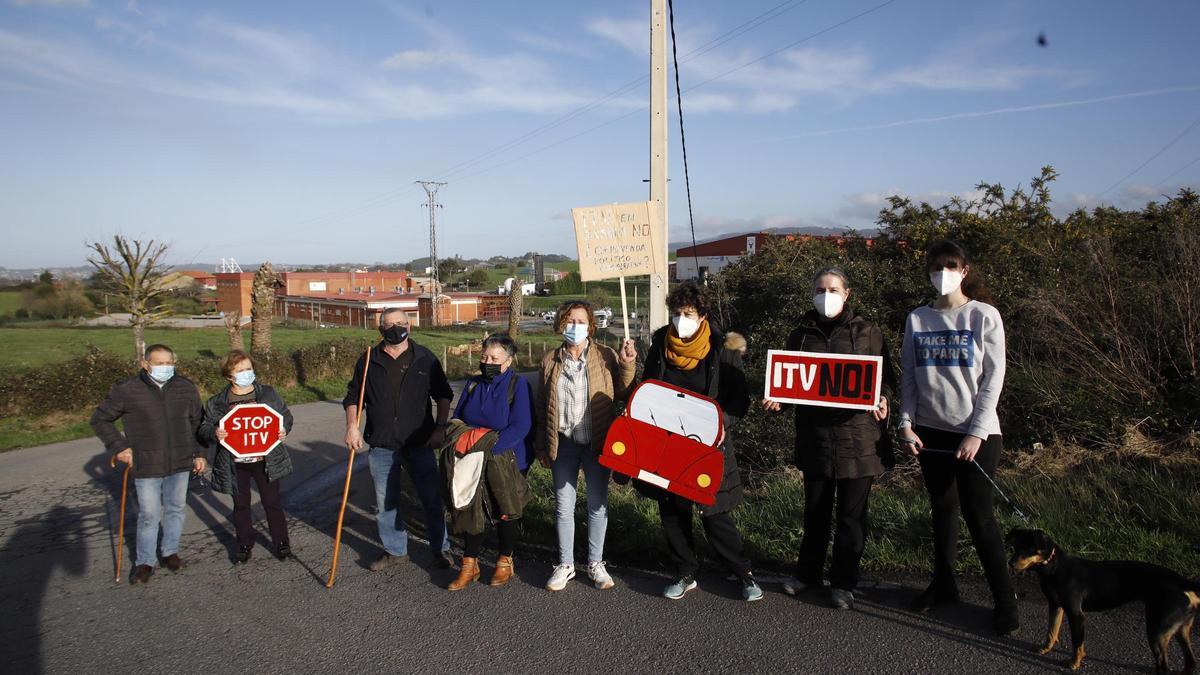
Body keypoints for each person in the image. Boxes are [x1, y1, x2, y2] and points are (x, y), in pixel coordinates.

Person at [899, 239, 1019, 635]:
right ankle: (944, 584)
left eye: (950, 266)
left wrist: (977, 432)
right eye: (936, 267)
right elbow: (911, 376)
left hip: (976, 435)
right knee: (942, 511)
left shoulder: (984, 316)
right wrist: (905, 423)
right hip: (931, 432)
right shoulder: (917, 318)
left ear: (965, 270)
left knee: (979, 517)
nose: (942, 274)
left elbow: (993, 378)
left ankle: (1005, 601)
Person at [763, 268, 895, 610]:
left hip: (859, 442)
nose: (826, 294)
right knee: (815, 513)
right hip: (816, 440)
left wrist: (885, 400)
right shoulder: (800, 335)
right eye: (820, 288)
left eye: (833, 289)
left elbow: (888, 379)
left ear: (847, 293)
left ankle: (844, 583)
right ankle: (807, 575)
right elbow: (793, 384)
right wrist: (779, 401)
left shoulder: (869, 332)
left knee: (852, 518)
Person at [637, 282, 762, 602]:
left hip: (710, 445)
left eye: (688, 313)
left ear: (703, 315)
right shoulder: (660, 344)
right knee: (672, 511)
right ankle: (684, 570)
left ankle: (742, 572)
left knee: (715, 511)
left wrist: (718, 425)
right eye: (676, 313)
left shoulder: (723, 348)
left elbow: (739, 401)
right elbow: (648, 386)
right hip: (668, 444)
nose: (681, 320)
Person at [537, 300, 637, 592]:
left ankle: (596, 563)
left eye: (580, 321)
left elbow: (624, 391)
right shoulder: (549, 361)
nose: (575, 327)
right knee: (563, 506)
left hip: (597, 442)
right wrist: (542, 445)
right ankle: (565, 564)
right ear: (560, 325)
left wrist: (628, 363)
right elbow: (543, 406)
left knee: (597, 504)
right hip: (564, 443)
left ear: (591, 326)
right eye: (569, 321)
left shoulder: (605, 355)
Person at [344, 308, 454, 571]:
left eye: (400, 323)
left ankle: (441, 549)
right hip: (381, 446)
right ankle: (395, 550)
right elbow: (353, 398)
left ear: (409, 326)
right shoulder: (369, 359)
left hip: (420, 444)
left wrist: (440, 428)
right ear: (380, 329)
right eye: (389, 324)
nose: (395, 328)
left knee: (431, 499)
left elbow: (443, 395)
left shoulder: (425, 358)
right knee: (385, 502)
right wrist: (352, 427)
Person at [90, 344, 205, 584]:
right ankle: (144, 562)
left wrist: (200, 453)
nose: (165, 368)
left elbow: (197, 424)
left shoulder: (185, 388)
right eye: (159, 363)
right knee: (149, 515)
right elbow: (100, 419)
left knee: (175, 510)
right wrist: (120, 447)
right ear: (145, 364)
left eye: (169, 363)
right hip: (146, 464)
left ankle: (170, 552)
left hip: (181, 461)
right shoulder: (128, 390)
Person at [445, 334, 535, 590]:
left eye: (495, 358)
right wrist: (463, 438)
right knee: (471, 508)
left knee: (505, 509)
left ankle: (504, 560)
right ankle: (469, 564)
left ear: (508, 361)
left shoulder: (517, 385)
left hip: (506, 458)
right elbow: (459, 417)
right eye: (485, 357)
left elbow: (521, 426)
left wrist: (485, 445)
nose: (488, 362)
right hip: (471, 457)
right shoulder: (473, 384)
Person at [198, 350, 294, 563]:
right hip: (234, 463)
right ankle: (244, 544)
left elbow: (285, 416)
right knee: (241, 506)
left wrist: (283, 429)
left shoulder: (268, 393)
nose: (246, 373)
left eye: (248, 369)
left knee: (272, 502)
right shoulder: (217, 402)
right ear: (228, 376)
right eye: (240, 370)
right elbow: (203, 428)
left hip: (266, 461)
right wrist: (214, 432)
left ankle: (281, 542)